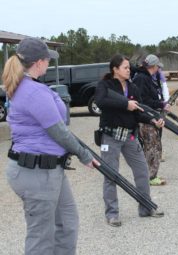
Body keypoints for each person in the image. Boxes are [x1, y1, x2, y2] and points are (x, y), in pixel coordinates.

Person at [2, 37, 99, 255]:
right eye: (47, 60)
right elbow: (59, 131)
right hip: (36, 173)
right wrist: (85, 155)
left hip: (48, 170)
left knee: (66, 223)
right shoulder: (33, 92)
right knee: (41, 239)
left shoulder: (27, 87)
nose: (49, 63)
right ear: (39, 62)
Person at [94, 54, 165, 227]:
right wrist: (126, 105)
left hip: (130, 136)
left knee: (142, 171)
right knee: (111, 175)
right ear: (115, 69)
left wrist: (152, 120)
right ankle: (112, 214)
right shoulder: (105, 85)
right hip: (110, 136)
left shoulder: (132, 87)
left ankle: (146, 207)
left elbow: (138, 111)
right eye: (125, 67)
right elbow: (101, 102)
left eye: (128, 67)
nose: (128, 70)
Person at [133, 54, 170, 185]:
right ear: (154, 66)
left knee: (152, 146)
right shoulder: (142, 79)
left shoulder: (145, 77)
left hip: (149, 117)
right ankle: (150, 177)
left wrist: (160, 104)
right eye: (157, 67)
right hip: (146, 119)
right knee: (152, 147)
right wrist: (161, 104)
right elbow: (143, 101)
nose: (158, 69)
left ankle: (149, 176)